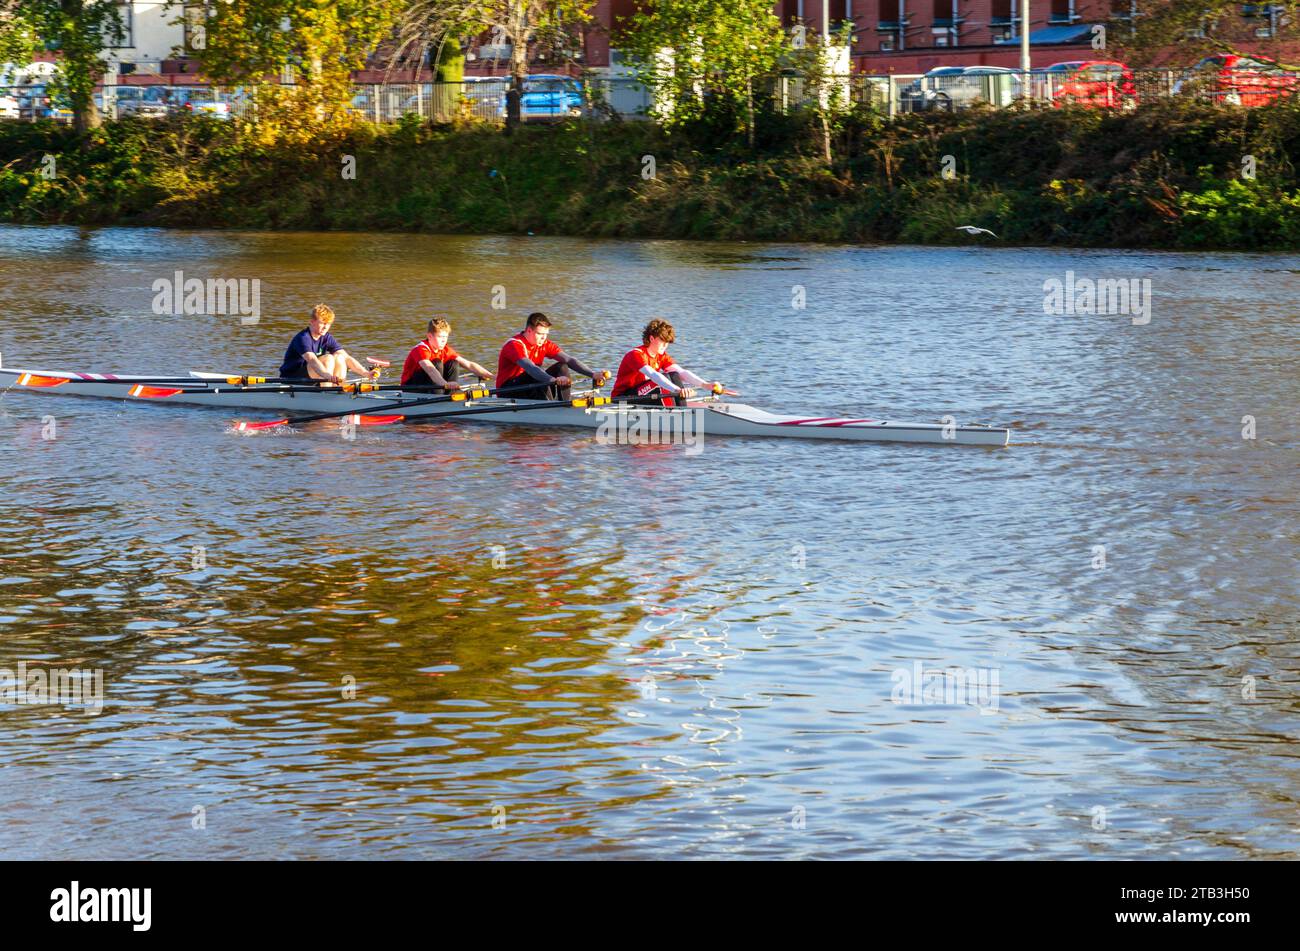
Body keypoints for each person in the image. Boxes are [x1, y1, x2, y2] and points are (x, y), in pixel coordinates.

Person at [495, 312, 610, 401]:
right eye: (540, 334)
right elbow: (530, 368)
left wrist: (593, 374)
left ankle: (564, 404)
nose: (544, 338)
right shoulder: (514, 345)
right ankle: (551, 407)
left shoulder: (544, 344)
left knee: (562, 366)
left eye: (546, 334)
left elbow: (569, 359)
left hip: (531, 385)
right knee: (537, 370)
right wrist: (553, 380)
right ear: (529, 330)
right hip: (508, 390)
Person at [611, 319, 722, 405]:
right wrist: (678, 390)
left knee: (674, 375)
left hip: (643, 394)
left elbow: (682, 373)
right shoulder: (635, 354)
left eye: (667, 342)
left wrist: (705, 385)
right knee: (660, 381)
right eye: (662, 341)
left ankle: (681, 409)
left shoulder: (662, 356)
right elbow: (653, 375)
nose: (665, 345)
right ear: (652, 338)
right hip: (623, 398)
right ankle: (681, 413)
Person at [278, 304, 373, 384]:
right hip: (291, 378)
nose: (326, 327)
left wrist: (366, 373)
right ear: (312, 322)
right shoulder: (303, 338)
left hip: (314, 375)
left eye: (328, 324)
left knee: (340, 357)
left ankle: (338, 390)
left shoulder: (326, 337)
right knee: (328, 358)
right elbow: (312, 360)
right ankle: (327, 393)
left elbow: (347, 358)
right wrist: (327, 376)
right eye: (323, 323)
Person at [400, 317, 493, 393]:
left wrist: (492, 376)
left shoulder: (445, 349)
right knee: (437, 363)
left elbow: (468, 364)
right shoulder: (421, 349)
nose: (444, 340)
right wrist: (445, 384)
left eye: (446, 337)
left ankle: (451, 395)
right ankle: (438, 397)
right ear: (429, 336)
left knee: (453, 363)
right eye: (440, 337)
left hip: (431, 383)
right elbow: (430, 370)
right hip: (411, 387)